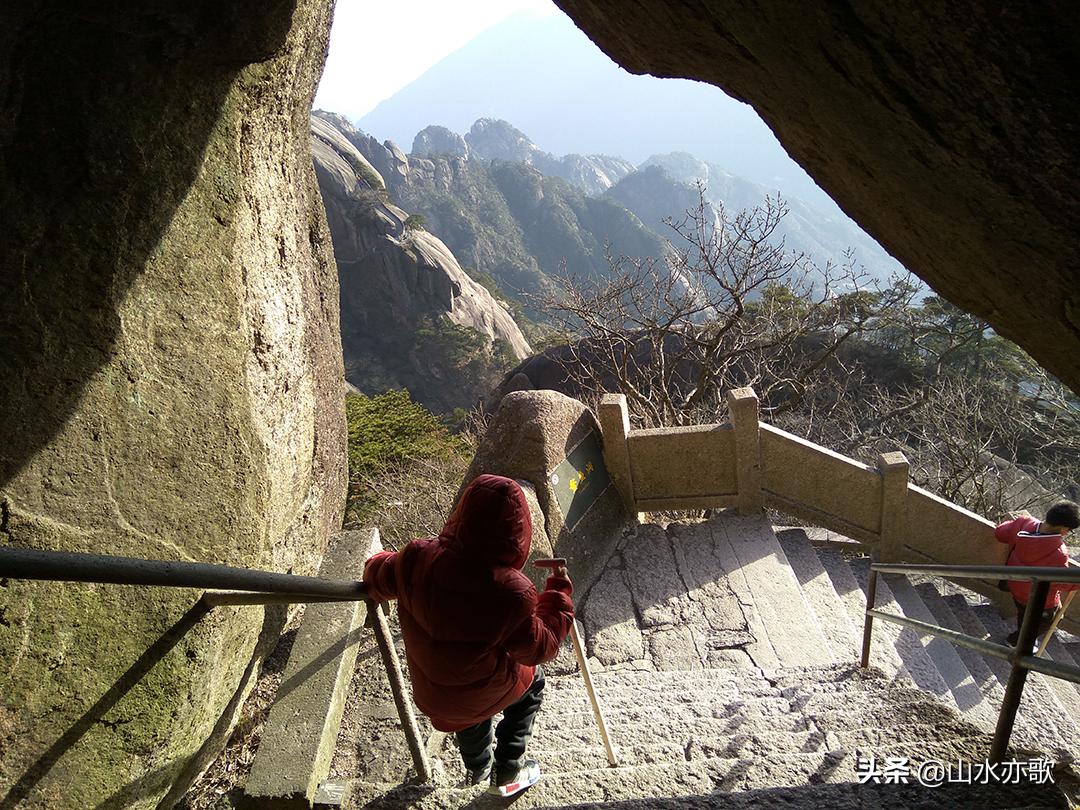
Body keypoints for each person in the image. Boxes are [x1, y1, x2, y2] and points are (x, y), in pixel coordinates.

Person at [363, 474, 574, 797]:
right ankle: (508, 769)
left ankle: (477, 768)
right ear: (517, 533)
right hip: (482, 691)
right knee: (533, 683)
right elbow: (539, 647)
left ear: (461, 516)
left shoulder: (415, 558)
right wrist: (558, 595)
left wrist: (378, 559)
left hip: (436, 697)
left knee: (466, 711)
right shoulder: (509, 593)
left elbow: (378, 576)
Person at [995, 500, 1080, 646]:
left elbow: (999, 533)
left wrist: (1014, 523)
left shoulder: (1023, 523)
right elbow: (1063, 583)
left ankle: (1022, 636)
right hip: (1038, 600)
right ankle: (1016, 642)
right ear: (1064, 528)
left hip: (1015, 585)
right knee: (1047, 621)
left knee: (1023, 612)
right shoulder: (1058, 553)